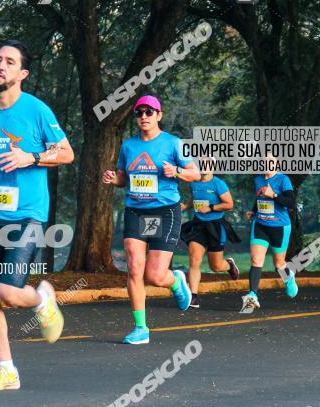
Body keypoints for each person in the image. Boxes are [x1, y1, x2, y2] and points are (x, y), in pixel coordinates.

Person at [0, 40, 75, 391]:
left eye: (9, 61)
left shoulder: (37, 111)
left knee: (8, 290)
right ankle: (6, 369)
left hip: (27, 214)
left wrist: (31, 158)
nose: (0, 66)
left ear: (22, 73)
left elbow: (66, 154)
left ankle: (42, 299)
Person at [102, 95, 200, 344]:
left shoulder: (174, 144)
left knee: (155, 276)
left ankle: (175, 281)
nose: (143, 116)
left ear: (159, 115)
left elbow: (195, 173)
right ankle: (140, 328)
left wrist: (177, 171)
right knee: (134, 267)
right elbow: (124, 178)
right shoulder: (128, 146)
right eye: (139, 113)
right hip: (136, 210)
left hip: (164, 211)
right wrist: (114, 179)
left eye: (149, 112)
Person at [240, 158, 298, 313]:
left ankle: (289, 277)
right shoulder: (258, 179)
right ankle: (253, 295)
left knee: (279, 264)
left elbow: (291, 203)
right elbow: (259, 198)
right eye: (264, 162)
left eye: (270, 162)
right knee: (256, 260)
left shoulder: (283, 179)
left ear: (276, 164)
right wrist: (254, 211)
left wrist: (273, 195)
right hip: (260, 225)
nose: (267, 164)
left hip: (279, 227)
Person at [180, 172, 241, 308]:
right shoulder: (194, 182)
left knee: (216, 266)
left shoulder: (218, 183)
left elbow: (229, 204)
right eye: (201, 163)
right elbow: (194, 197)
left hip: (215, 226)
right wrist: (186, 206)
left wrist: (211, 208)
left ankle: (229, 265)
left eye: (207, 163)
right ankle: (193, 297)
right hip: (198, 226)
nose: (204, 167)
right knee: (194, 259)